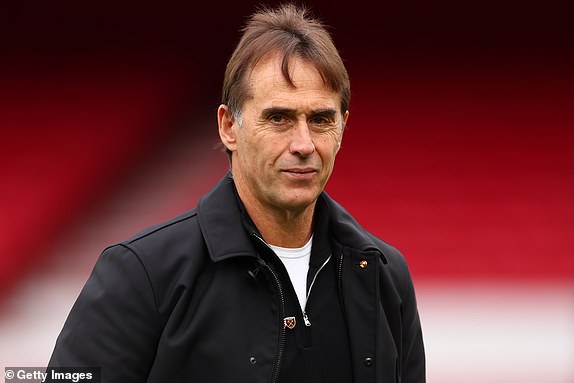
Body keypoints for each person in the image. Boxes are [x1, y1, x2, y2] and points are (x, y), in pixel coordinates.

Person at [48, 3, 425, 382]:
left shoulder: (383, 275)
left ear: (342, 128)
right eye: (279, 118)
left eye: (321, 119)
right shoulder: (141, 275)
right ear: (229, 126)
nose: (304, 143)